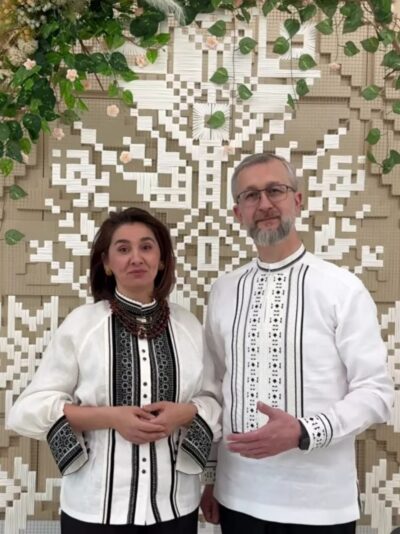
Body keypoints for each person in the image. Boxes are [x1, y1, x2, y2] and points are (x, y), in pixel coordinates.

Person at [200, 153, 394, 534]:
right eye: (251, 196)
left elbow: (376, 393)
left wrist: (303, 431)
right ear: (238, 213)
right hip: (237, 499)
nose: (264, 204)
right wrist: (211, 477)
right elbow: (214, 390)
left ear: (297, 200)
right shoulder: (223, 291)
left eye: (275, 190)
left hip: (319, 507)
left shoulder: (342, 289)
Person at [7, 207, 221, 534]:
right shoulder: (82, 325)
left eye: (146, 247)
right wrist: (111, 417)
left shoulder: (188, 326)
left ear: (162, 260)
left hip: (175, 508)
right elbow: (27, 411)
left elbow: (214, 402)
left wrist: (185, 413)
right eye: (123, 249)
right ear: (107, 263)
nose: (136, 258)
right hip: (96, 511)